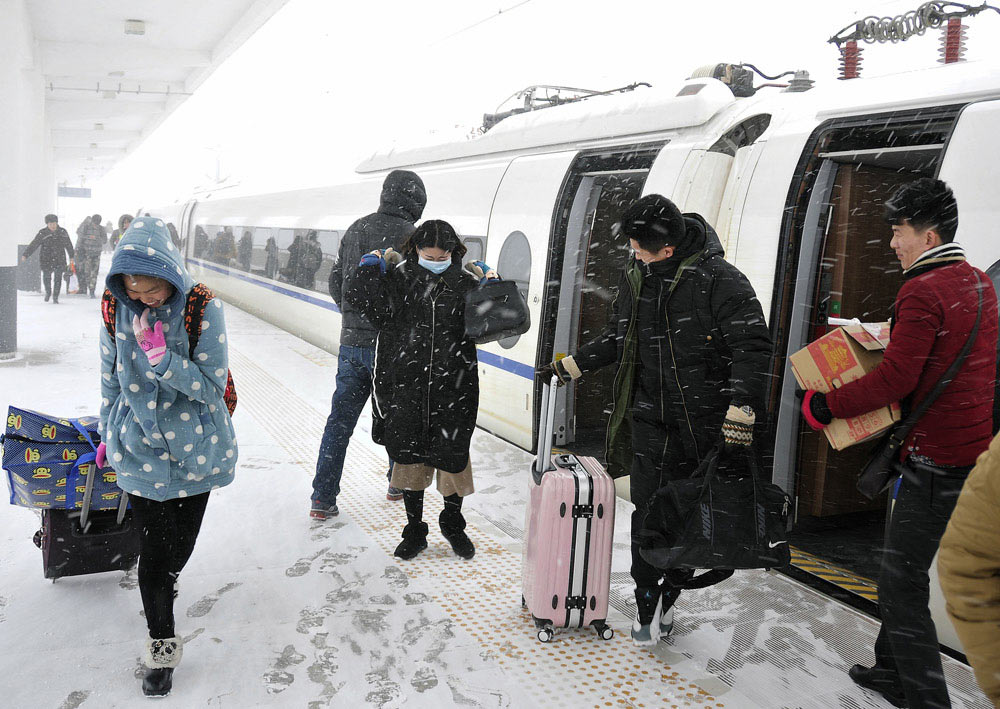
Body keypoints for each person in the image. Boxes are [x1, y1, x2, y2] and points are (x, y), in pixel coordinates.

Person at [800, 178, 998, 709]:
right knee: (902, 564)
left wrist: (825, 405)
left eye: (898, 232)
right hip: (970, 453)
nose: (891, 243)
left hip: (934, 459)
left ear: (928, 237)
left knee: (899, 583)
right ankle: (892, 671)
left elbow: (896, 380)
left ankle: (927, 700)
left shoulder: (922, 289)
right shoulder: (977, 282)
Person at [541, 194, 772, 647]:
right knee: (649, 517)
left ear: (667, 249)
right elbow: (617, 337)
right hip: (649, 422)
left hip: (703, 428)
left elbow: (753, 348)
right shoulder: (638, 278)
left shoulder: (721, 281)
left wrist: (741, 408)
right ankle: (648, 604)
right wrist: (573, 366)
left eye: (640, 247)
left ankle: (670, 601)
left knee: (685, 522)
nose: (633, 253)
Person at [95, 216, 237, 697]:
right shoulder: (115, 308)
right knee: (155, 558)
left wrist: (165, 363)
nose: (144, 300)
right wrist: (105, 430)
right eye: (134, 290)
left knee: (176, 553)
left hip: (197, 451)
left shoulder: (202, 307)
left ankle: (165, 585)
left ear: (171, 276)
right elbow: (110, 377)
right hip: (137, 450)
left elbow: (213, 387)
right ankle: (163, 650)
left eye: (153, 290)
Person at [346, 219, 497, 559]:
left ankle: (452, 524)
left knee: (453, 462)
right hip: (407, 385)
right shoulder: (398, 279)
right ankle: (414, 530)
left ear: (453, 253)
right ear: (414, 249)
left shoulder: (466, 283)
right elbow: (361, 301)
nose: (436, 260)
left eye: (442, 255)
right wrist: (369, 269)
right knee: (410, 462)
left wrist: (493, 286)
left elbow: (501, 323)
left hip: (453, 386)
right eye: (429, 255)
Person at [311, 169, 426, 518]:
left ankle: (322, 498)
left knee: (340, 421)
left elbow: (336, 283)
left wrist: (353, 317)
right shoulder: (414, 237)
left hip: (351, 345)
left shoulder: (356, 229)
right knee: (395, 412)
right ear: (415, 201)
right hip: (391, 348)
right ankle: (397, 480)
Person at [938, 431, 1000, 705]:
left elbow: (966, 566)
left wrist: (825, 408)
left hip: (932, 466)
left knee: (901, 585)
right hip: (942, 466)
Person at [22, 214, 74, 304]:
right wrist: (26, 254)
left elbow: (69, 245)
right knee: (46, 277)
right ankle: (48, 292)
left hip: (59, 259)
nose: (53, 226)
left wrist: (71, 257)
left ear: (57, 223)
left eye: (54, 223)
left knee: (58, 278)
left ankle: (55, 296)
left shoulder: (62, 232)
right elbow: (34, 244)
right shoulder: (43, 232)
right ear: (47, 224)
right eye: (50, 224)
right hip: (46, 259)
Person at [75, 214, 107, 298]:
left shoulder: (101, 229)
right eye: (94, 223)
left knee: (94, 273)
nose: (95, 225)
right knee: (87, 272)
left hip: (96, 254)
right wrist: (77, 250)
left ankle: (92, 290)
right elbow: (80, 238)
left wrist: (97, 238)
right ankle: (87, 287)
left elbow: (105, 240)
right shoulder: (86, 227)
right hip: (86, 254)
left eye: (97, 223)